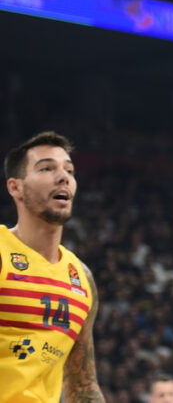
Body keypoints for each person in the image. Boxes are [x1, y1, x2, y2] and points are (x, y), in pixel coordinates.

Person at [0, 131, 104, 402]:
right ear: (16, 187)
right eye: (46, 168)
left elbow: (83, 387)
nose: (63, 177)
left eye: (69, 170)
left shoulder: (82, 279)